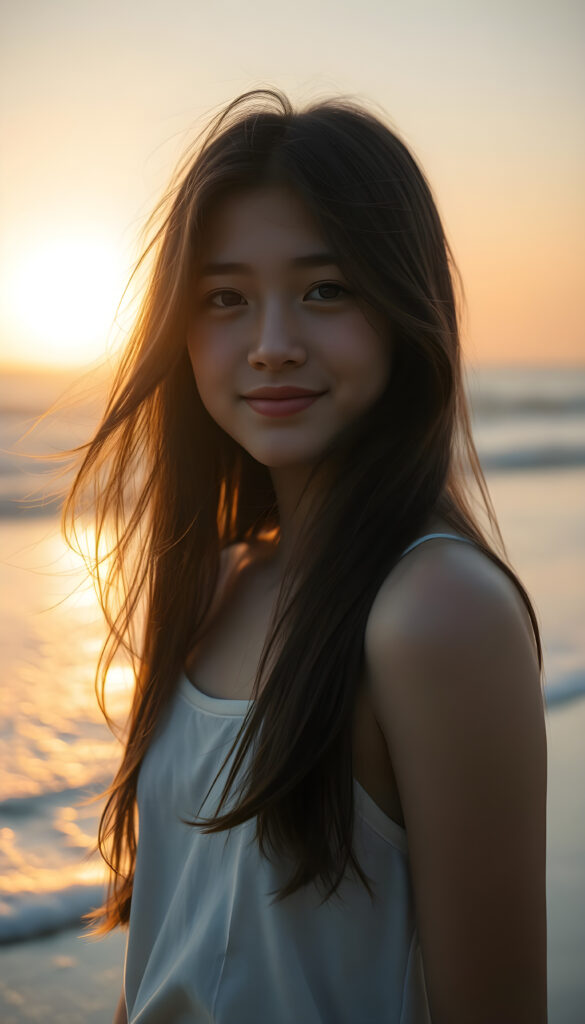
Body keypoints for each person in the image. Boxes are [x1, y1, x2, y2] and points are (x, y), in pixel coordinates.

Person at [64, 89, 548, 1023]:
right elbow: (167, 959)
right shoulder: (218, 578)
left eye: (325, 290)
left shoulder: (434, 609)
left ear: (405, 313)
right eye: (225, 299)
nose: (272, 345)